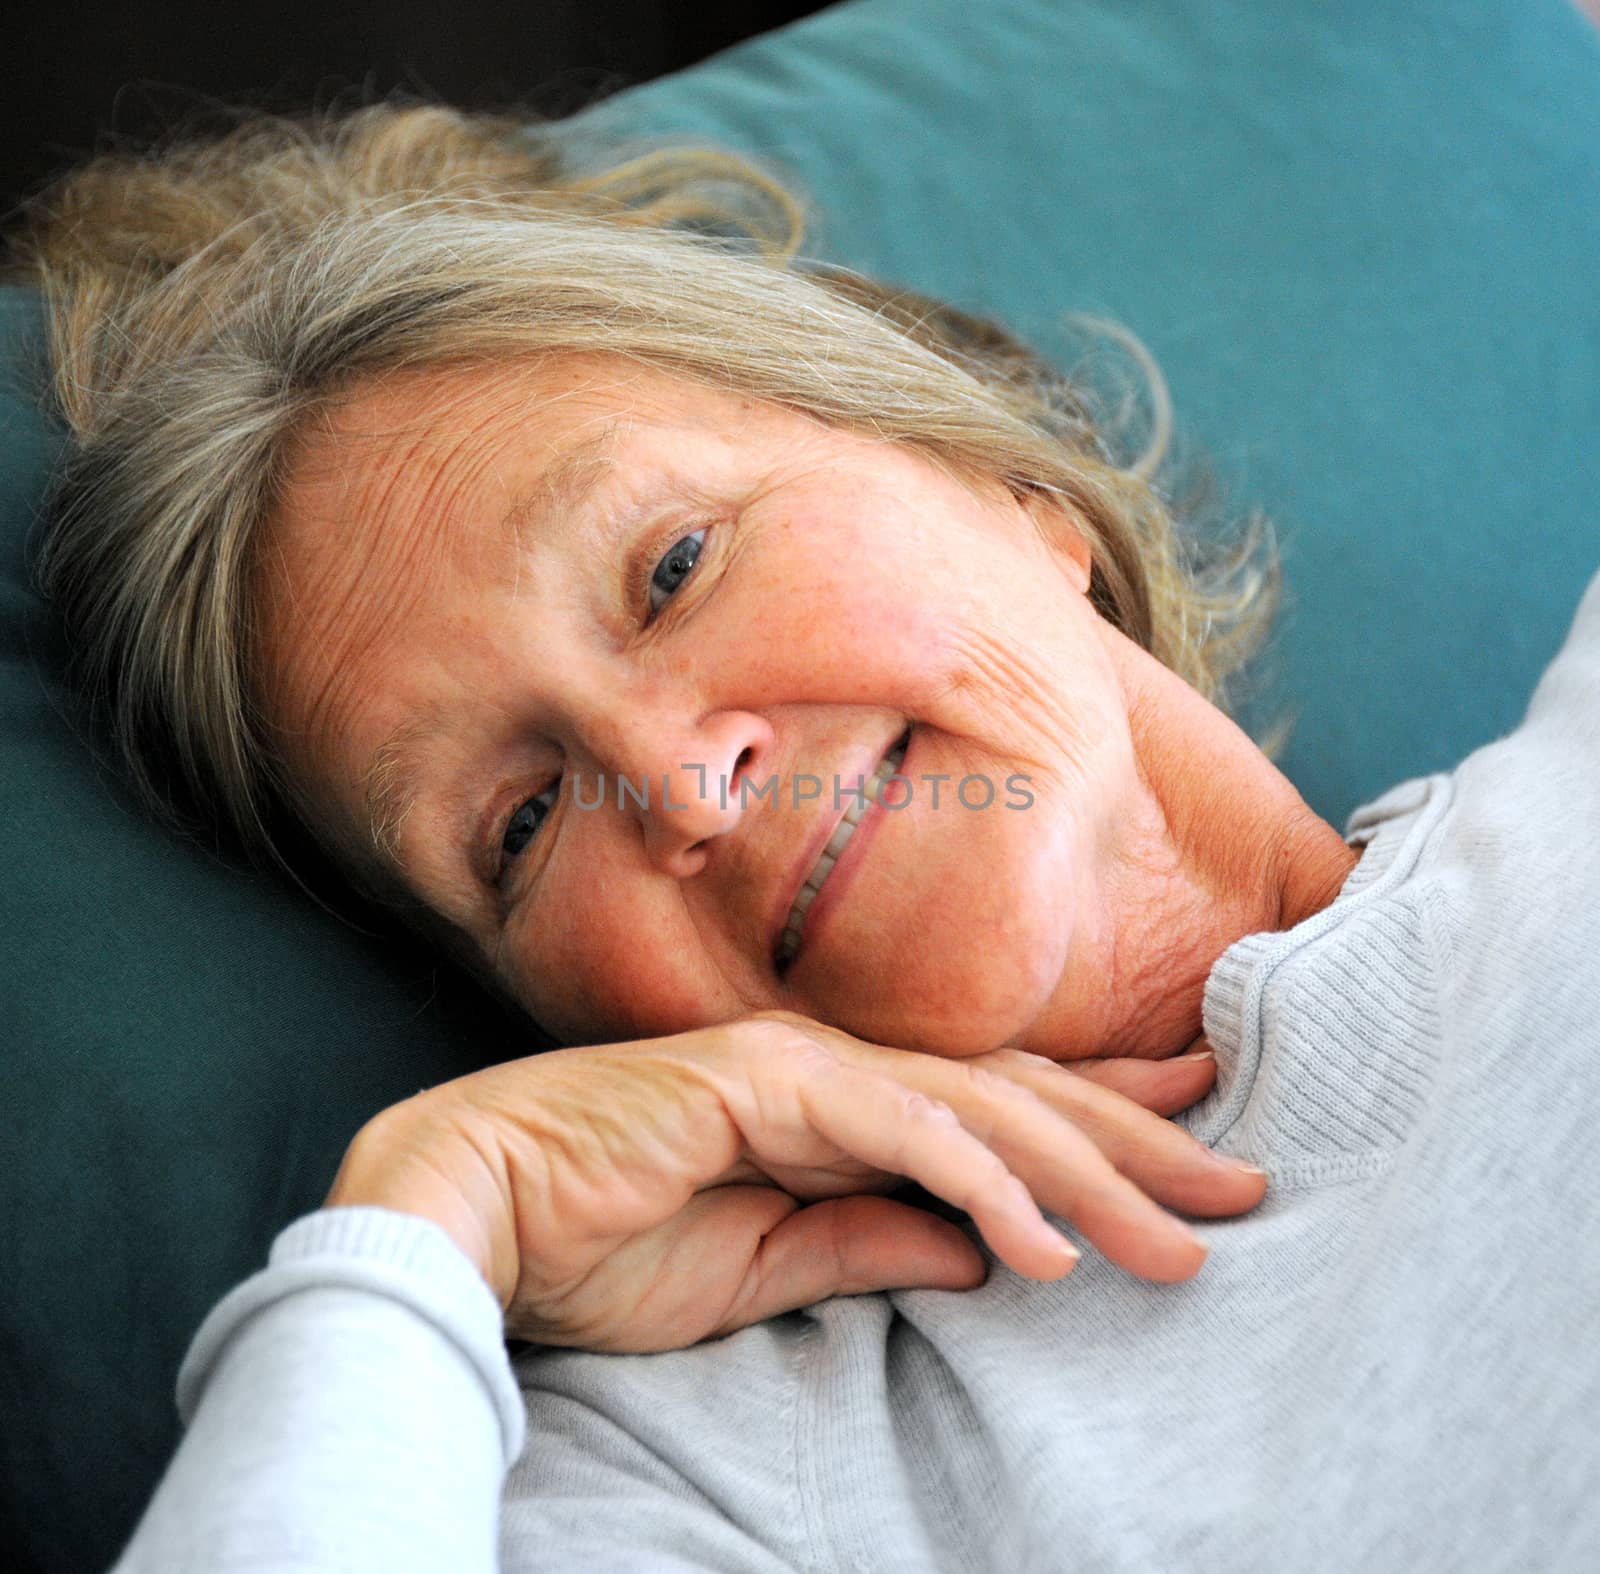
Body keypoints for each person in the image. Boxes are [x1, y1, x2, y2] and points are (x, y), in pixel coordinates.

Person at [13, 105, 1600, 1571]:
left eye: (673, 565)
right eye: (522, 823)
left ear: (1001, 483)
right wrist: (421, 1225)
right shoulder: (711, 1479)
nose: (681, 787)